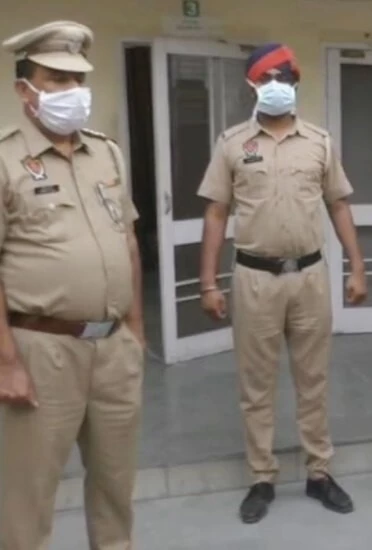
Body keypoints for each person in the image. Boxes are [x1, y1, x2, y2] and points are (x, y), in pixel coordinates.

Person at [197, 42, 367, 524]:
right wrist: (208, 282)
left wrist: (357, 266)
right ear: (252, 84)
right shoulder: (232, 143)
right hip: (254, 278)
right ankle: (261, 477)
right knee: (256, 385)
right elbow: (216, 212)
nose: (277, 86)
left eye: (285, 78)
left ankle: (319, 472)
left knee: (314, 380)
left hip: (309, 276)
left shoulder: (319, 142)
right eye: (267, 78)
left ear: (296, 83)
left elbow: (338, 204)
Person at [0, 20, 145, 550]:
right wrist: (6, 361)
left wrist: (136, 331)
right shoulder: (5, 158)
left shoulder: (107, 153)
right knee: (28, 494)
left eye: (77, 80)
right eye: (56, 80)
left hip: (113, 349)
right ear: (26, 90)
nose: (72, 91)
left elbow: (127, 240)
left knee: (115, 486)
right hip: (42, 350)